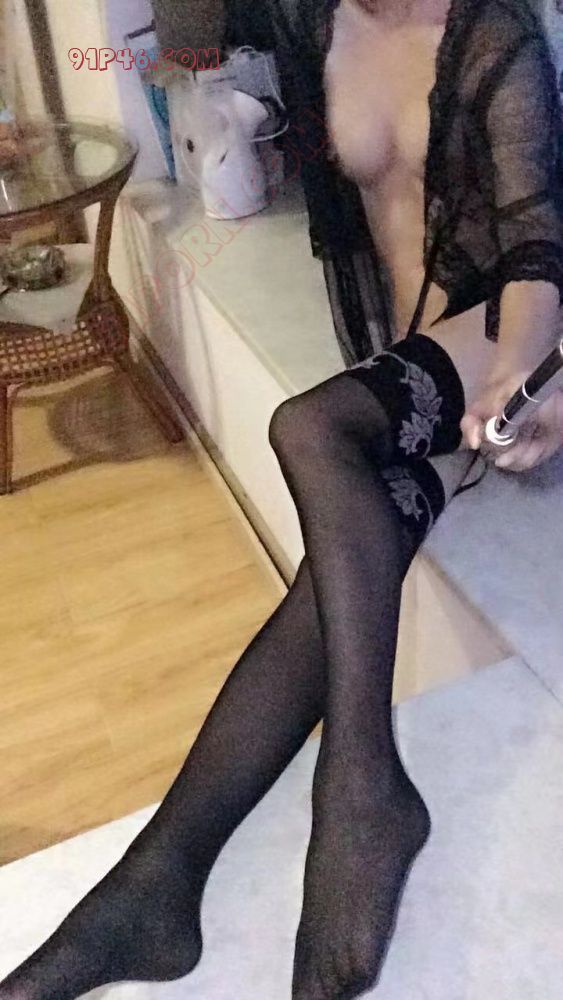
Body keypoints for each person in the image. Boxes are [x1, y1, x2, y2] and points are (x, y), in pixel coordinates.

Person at [2, 1, 563, 998]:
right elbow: (190, 47)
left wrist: (516, 373)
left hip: (501, 348)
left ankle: (356, 791)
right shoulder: (317, 19)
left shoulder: (493, 35)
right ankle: (157, 881)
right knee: (337, 563)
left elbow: (533, 249)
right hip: (403, 361)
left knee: (308, 428)